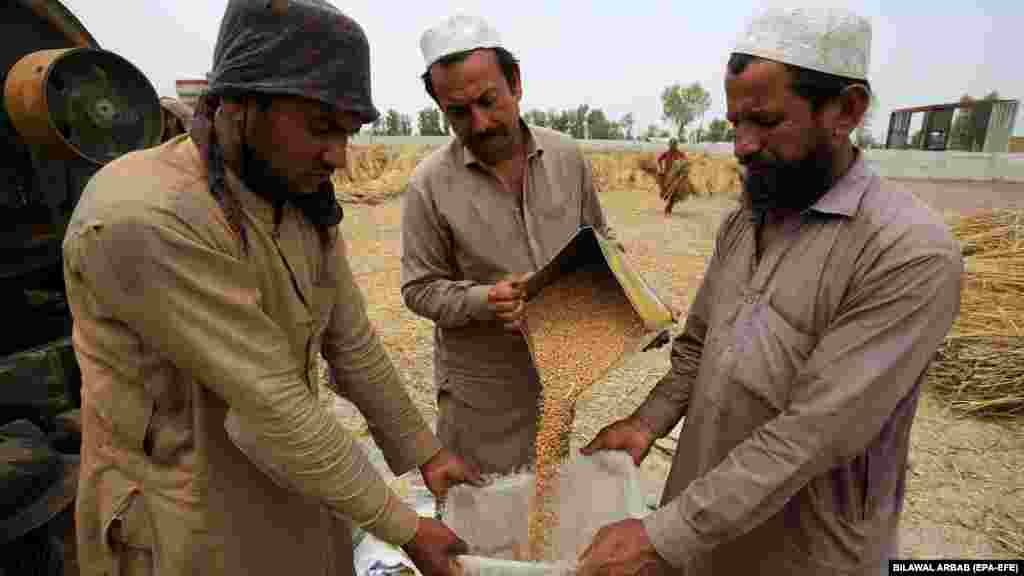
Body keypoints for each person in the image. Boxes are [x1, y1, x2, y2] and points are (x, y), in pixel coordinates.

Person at [62, 1, 482, 575]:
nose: (337, 156)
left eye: (348, 132)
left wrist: (426, 454)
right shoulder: (146, 216)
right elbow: (270, 401)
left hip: (289, 490)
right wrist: (403, 526)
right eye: (320, 128)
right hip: (184, 515)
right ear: (238, 104)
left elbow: (352, 344)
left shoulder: (294, 195)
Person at [578, 6, 963, 576]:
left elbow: (814, 432)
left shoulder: (908, 253)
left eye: (765, 121)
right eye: (735, 124)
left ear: (846, 110)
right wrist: (646, 422)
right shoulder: (747, 220)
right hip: (706, 531)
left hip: (807, 551)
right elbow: (697, 348)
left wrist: (664, 533)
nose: (742, 146)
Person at [401, 14, 619, 474]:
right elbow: (418, 288)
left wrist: (623, 297)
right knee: (481, 522)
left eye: (488, 101)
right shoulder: (428, 185)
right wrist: (485, 300)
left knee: (544, 504)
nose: (479, 123)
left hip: (560, 379)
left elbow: (601, 243)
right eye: (458, 112)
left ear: (516, 83)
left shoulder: (566, 157)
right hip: (480, 399)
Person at [656, 139, 690, 215]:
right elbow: (659, 159)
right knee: (663, 187)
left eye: (674, 144)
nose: (672, 146)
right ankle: (665, 196)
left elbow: (685, 162)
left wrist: (683, 170)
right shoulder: (666, 153)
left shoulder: (680, 154)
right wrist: (661, 169)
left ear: (676, 145)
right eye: (671, 144)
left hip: (675, 176)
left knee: (674, 192)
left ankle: (669, 207)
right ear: (669, 145)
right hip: (666, 174)